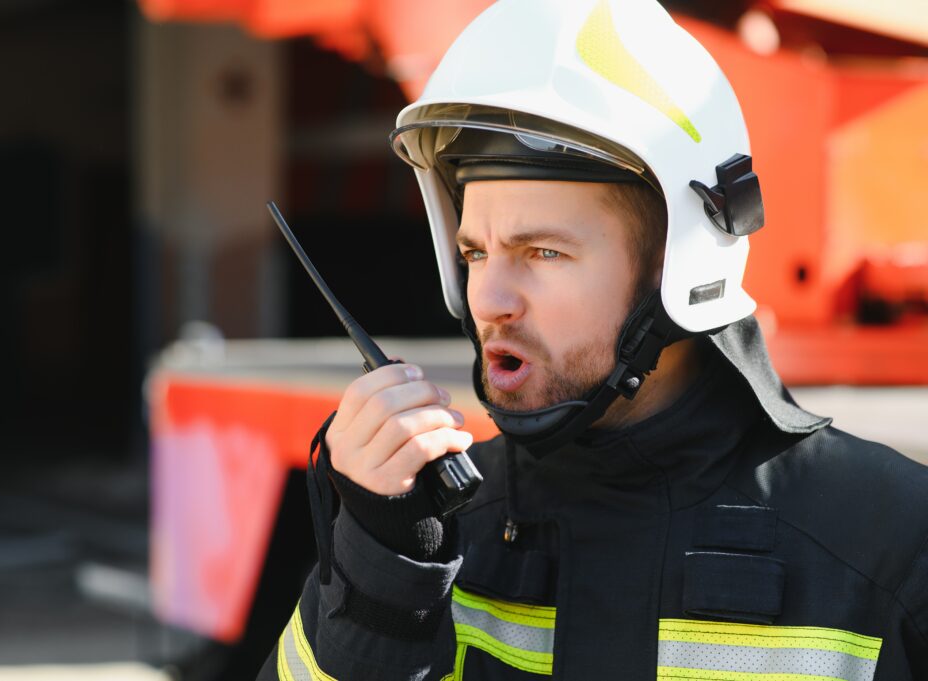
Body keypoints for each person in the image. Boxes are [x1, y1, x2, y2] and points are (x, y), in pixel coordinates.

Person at [259, 0, 928, 678]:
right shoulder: (431, 541)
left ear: (680, 263)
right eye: (477, 252)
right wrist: (381, 584)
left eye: (543, 252)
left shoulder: (895, 545)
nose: (487, 299)